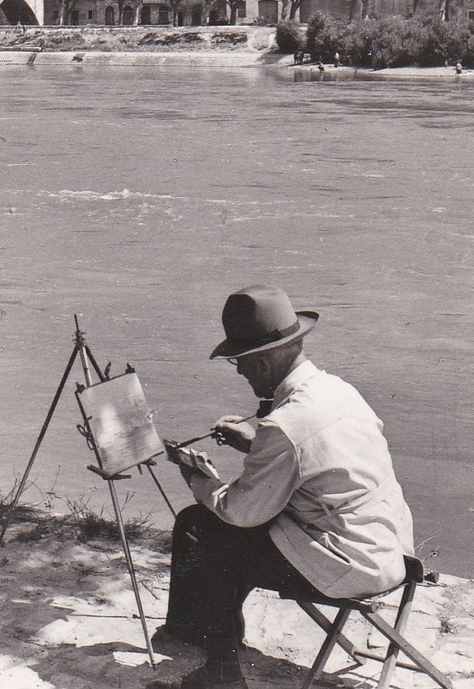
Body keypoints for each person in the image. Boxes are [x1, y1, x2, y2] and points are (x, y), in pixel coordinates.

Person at [152, 286, 414, 689]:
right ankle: (195, 629)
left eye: (240, 362)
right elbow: (313, 458)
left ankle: (221, 672)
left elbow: (241, 512)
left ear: (266, 360)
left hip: (348, 565)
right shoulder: (338, 391)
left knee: (204, 530)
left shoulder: (285, 425)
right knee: (212, 526)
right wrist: (253, 442)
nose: (238, 371)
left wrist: (197, 478)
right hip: (388, 548)